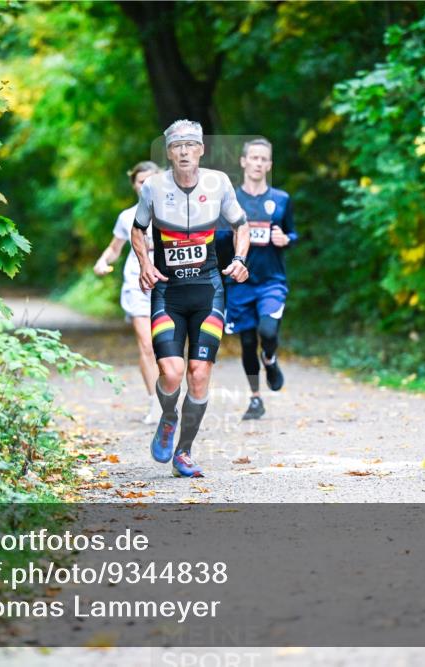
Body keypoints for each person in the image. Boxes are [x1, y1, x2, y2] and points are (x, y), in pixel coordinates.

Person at [131, 119, 250, 478]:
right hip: (168, 292)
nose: (183, 151)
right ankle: (168, 416)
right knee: (171, 372)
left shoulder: (218, 183)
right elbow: (138, 230)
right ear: (168, 152)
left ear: (201, 149)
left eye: (190, 145)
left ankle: (184, 451)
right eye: (176, 146)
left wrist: (241, 259)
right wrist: (145, 264)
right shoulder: (152, 187)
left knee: (198, 375)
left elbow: (241, 224)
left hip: (208, 291)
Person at [219, 137, 297, 420]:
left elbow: (293, 234)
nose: (258, 163)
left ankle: (271, 359)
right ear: (243, 161)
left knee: (268, 332)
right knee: (248, 342)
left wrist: (284, 238)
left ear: (269, 165)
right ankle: (255, 398)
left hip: (271, 280)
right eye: (254, 157)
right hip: (239, 282)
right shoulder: (231, 200)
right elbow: (217, 241)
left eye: (264, 159)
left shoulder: (281, 199)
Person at [93, 161, 163, 424]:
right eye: (140, 181)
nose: (145, 185)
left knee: (168, 346)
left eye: (150, 180)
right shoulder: (127, 217)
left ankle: (170, 395)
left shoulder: (178, 212)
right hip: (137, 285)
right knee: (147, 344)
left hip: (170, 285)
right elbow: (114, 249)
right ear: (134, 185)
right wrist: (103, 262)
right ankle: (155, 403)